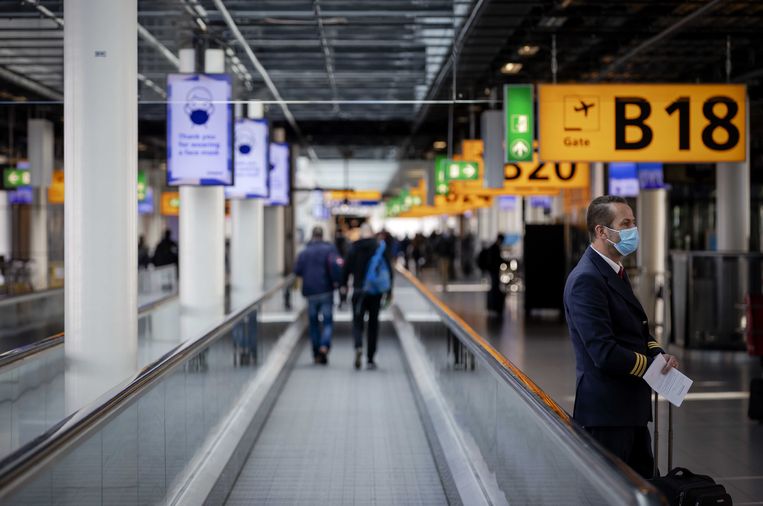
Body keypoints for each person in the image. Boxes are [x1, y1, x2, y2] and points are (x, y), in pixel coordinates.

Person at [563, 195, 680, 479]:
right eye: (625, 223)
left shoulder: (613, 271)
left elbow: (638, 329)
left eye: (633, 223)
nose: (633, 230)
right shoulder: (587, 279)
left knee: (644, 489)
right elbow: (603, 352)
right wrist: (650, 367)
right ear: (601, 231)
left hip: (628, 410)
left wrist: (657, 353)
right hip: (607, 415)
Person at [341, 224, 393, 370]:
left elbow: (346, 269)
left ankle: (358, 346)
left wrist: (343, 285)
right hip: (375, 292)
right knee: (373, 324)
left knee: (357, 322)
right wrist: (389, 291)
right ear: (372, 233)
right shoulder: (380, 248)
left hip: (358, 291)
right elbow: (389, 270)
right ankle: (370, 358)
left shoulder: (354, 248)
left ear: (361, 234)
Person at [294, 226, 342, 365]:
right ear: (322, 235)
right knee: (327, 322)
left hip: (310, 293)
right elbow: (336, 267)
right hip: (326, 290)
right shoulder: (330, 250)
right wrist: (337, 283)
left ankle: (316, 352)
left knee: (313, 323)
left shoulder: (304, 252)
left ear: (312, 235)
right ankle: (324, 345)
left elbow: (297, 271)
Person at [478, 234, 506, 318]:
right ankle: (494, 305)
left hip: (492, 270)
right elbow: (497, 260)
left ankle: (493, 305)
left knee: (494, 287)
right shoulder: (495, 248)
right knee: (494, 287)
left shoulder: (493, 247)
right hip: (494, 271)